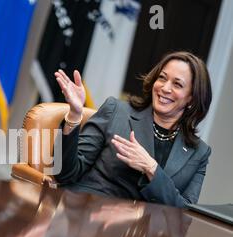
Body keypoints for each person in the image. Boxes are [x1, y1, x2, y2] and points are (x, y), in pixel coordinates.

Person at [54, 51, 212, 208]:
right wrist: (74, 115)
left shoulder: (199, 153)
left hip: (145, 230)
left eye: (177, 84)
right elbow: (64, 173)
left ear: (192, 98)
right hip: (87, 214)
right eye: (162, 78)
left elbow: (186, 214)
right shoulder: (116, 111)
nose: (165, 88)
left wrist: (151, 168)